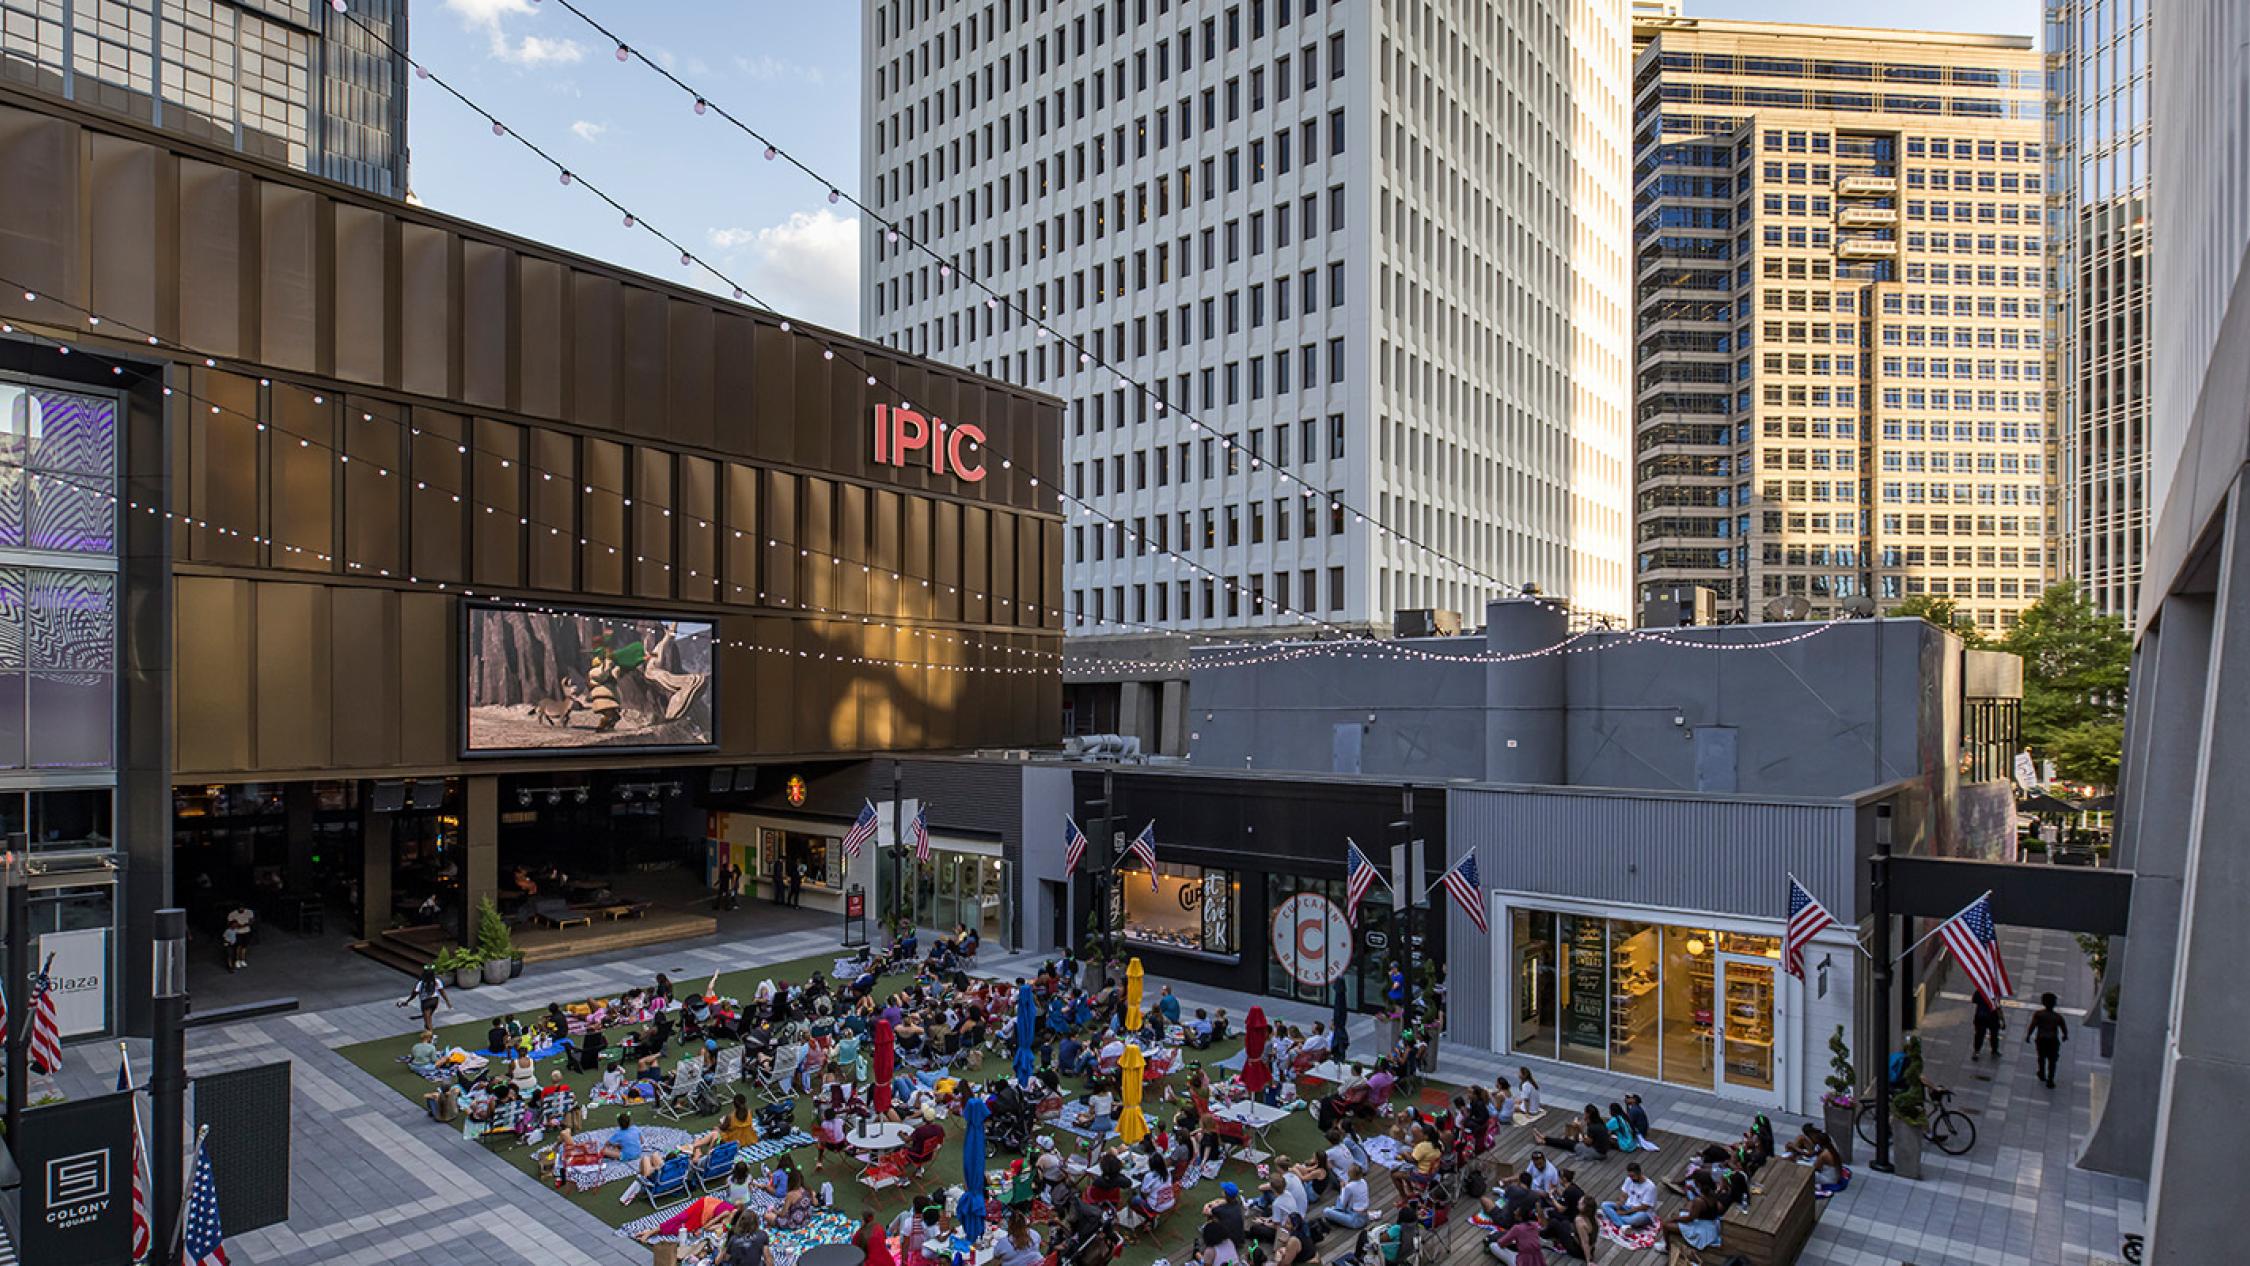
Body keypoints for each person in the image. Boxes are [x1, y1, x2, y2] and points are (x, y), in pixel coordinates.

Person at [2027, 991, 2070, 1088]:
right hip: (2052, 1040)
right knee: (2052, 1060)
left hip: (2041, 1039)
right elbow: (2063, 1028)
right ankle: (2050, 1079)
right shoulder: (2058, 1017)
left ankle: (2042, 1073)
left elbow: (2033, 1026)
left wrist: (2028, 1035)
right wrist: (2065, 1036)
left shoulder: (2039, 1014)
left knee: (2041, 1057)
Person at [1598, 1163, 1659, 1231]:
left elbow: (1644, 1207)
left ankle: (1615, 1219)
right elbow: (1624, 1194)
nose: (1631, 1178)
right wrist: (1620, 1201)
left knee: (1633, 1220)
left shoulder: (1650, 1187)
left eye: (1633, 1176)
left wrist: (1625, 1213)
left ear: (1639, 1173)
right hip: (1627, 1207)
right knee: (1604, 1204)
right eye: (1629, 1176)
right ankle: (1623, 1225)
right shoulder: (1629, 1179)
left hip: (1643, 1212)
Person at [1317, 1163, 1372, 1232]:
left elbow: (1343, 1202)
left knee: (1326, 1211)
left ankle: (1336, 1211)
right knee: (1342, 1200)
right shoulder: (1363, 1181)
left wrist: (1342, 1187)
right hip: (1364, 1216)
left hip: (1355, 1220)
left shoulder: (1349, 1187)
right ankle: (1337, 1211)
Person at [1971, 990, 2005, 1060]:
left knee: (1979, 1035)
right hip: (1992, 1018)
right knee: (1994, 1035)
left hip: (1981, 1016)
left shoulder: (1979, 991)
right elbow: (1998, 1008)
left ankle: (1976, 1052)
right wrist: (2002, 1020)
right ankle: (1994, 1050)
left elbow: (1974, 1000)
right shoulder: (1995, 993)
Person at [222, 904, 255, 971]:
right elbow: (229, 923)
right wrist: (239, 926)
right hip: (237, 933)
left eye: (242, 908)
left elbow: (251, 921)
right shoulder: (232, 914)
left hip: (246, 932)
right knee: (238, 947)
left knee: (244, 947)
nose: (241, 909)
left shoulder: (249, 912)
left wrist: (245, 924)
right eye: (240, 908)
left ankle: (243, 960)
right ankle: (237, 961)